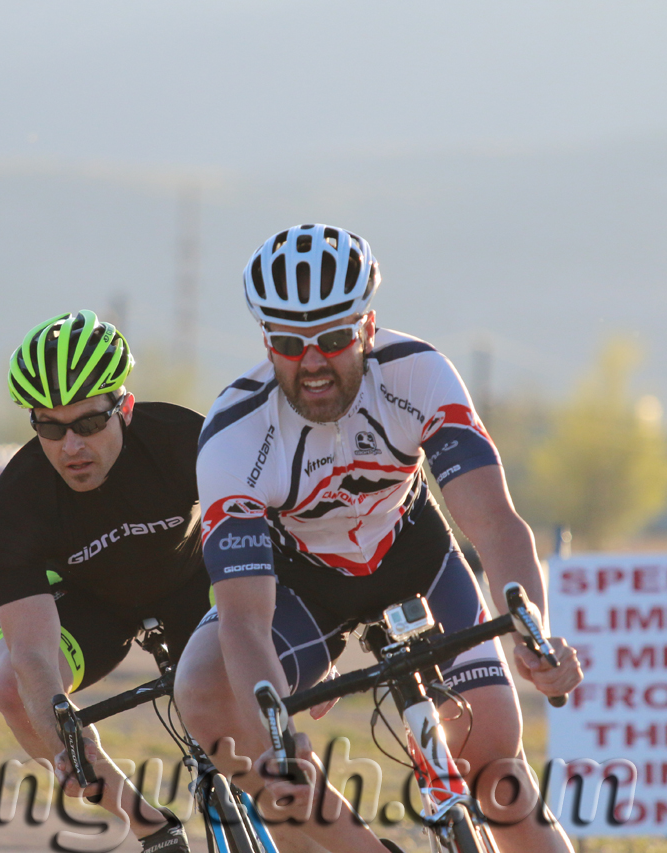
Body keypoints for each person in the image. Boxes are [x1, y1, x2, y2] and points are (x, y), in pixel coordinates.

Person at [175, 224, 585, 853]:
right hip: (304, 588)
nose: (312, 363)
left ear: (368, 327)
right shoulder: (235, 433)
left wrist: (534, 631)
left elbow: (494, 523)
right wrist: (275, 729)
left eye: (334, 339)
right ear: (266, 341)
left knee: (496, 769)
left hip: (416, 558)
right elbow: (245, 620)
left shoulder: (416, 372)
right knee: (205, 691)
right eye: (289, 344)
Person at [0, 311, 208, 853]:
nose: (71, 447)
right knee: (12, 684)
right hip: (92, 602)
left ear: (124, 407)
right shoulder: (15, 503)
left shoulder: (184, 438)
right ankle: (149, 827)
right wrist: (59, 732)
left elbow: (268, 536)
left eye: (88, 424)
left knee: (257, 695)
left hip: (190, 580)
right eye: (50, 428)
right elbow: (31, 653)